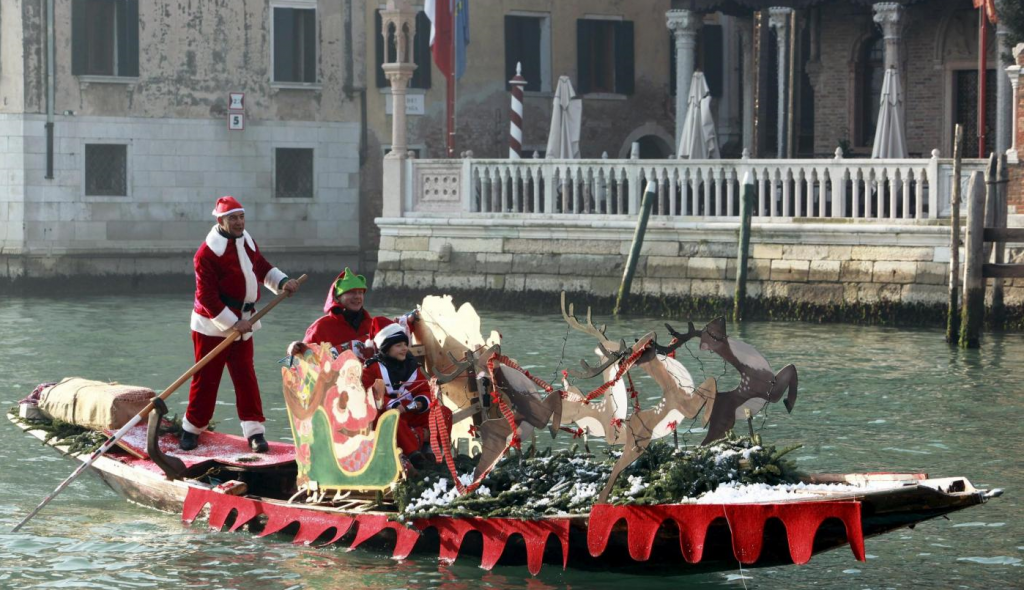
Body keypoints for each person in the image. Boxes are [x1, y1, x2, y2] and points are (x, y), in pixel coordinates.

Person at [183, 196, 300, 452]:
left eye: (241, 217)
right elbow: (207, 297)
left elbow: (260, 267)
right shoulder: (205, 254)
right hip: (212, 326)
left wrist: (282, 282)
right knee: (207, 379)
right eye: (233, 218)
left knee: (246, 377)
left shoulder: (246, 240)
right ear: (220, 220)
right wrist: (232, 323)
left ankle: (255, 433)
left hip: (245, 323)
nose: (239, 222)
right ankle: (192, 428)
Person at [361, 323, 447, 465]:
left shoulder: (412, 366)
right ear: (387, 348)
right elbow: (368, 393)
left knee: (442, 413)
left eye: (405, 344)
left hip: (410, 411)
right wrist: (393, 405)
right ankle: (415, 457)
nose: (405, 349)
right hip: (385, 414)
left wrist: (421, 402)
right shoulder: (372, 368)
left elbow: (424, 389)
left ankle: (433, 452)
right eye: (398, 345)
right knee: (393, 420)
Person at [286, 268, 395, 360]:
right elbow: (304, 360)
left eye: (360, 292)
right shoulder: (321, 327)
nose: (357, 296)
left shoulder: (372, 325)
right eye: (351, 292)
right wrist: (294, 348)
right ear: (338, 298)